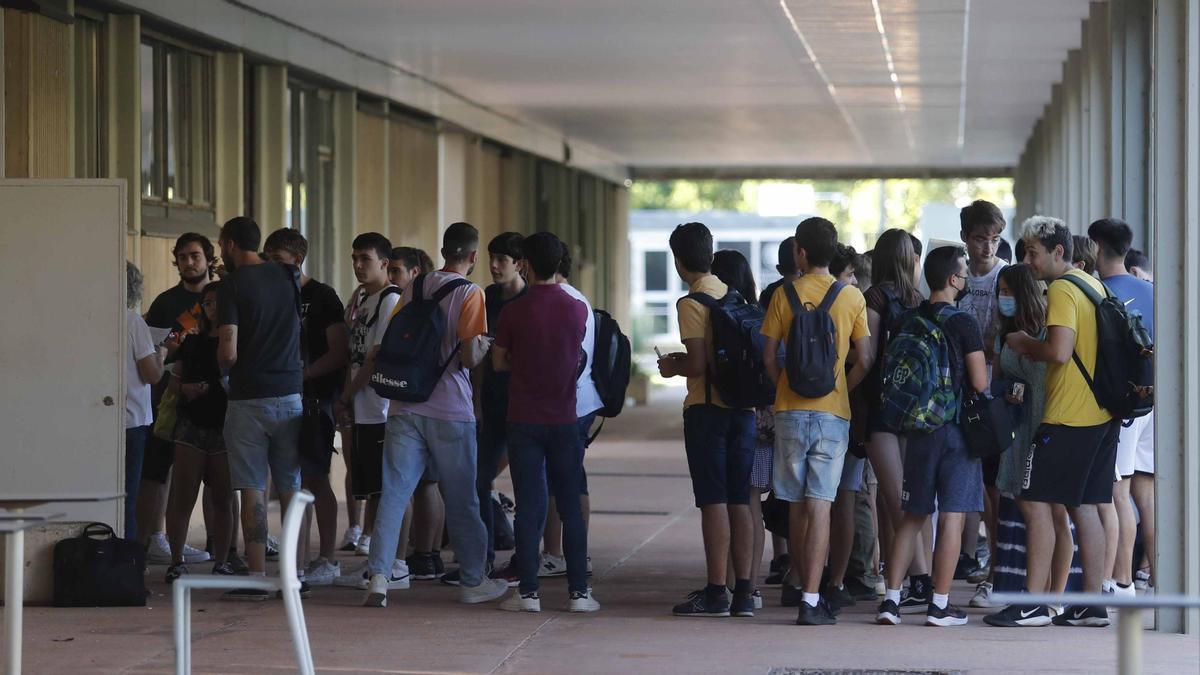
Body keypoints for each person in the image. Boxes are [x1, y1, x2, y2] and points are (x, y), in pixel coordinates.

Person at [363, 222, 508, 608]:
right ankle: (474, 581)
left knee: (394, 492)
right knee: (461, 497)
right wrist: (486, 345)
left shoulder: (416, 285)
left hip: (404, 403)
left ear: (443, 250)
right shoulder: (471, 293)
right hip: (449, 409)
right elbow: (467, 355)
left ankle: (379, 575)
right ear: (474, 256)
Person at [986, 216, 1119, 628]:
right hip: (1101, 413)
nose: (1027, 260)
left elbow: (1059, 352)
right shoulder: (1092, 284)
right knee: (1085, 508)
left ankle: (1034, 603)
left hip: (1067, 416)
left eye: (1032, 252)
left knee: (1037, 504)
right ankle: (1091, 603)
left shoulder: (1062, 289)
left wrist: (1025, 343)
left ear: (1058, 252)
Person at [761, 217, 872, 625]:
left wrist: (784, 388)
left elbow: (769, 356)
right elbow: (866, 357)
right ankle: (812, 598)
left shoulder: (782, 295)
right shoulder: (851, 297)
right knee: (822, 503)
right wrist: (841, 384)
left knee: (794, 502)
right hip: (833, 413)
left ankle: (795, 579)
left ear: (800, 253)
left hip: (790, 411)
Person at [875, 246, 988, 627]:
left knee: (912, 515)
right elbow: (979, 381)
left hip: (919, 430)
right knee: (952, 517)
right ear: (954, 280)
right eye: (964, 272)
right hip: (956, 431)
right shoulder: (964, 323)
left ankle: (891, 600)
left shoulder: (908, 319)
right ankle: (939, 605)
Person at [494, 232, 598, 613]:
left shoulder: (513, 311)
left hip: (523, 418)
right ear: (560, 264)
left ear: (525, 264)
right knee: (570, 506)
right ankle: (579, 594)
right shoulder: (577, 309)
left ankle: (529, 594)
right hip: (566, 419)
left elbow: (498, 361)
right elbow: (578, 358)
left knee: (530, 505)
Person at [658, 222, 756, 618]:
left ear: (679, 262)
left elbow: (697, 364)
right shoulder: (736, 298)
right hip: (744, 413)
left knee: (713, 501)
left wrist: (671, 366)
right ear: (711, 256)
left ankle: (717, 590)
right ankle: (745, 593)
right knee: (741, 500)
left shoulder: (692, 303)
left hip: (707, 412)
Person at [216, 216, 306, 601]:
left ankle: (256, 577)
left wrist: (224, 369)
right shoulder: (287, 276)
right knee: (291, 487)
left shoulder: (231, 286)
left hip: (248, 397)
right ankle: (294, 576)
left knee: (252, 488)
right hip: (289, 393)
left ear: (230, 244)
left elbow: (229, 350)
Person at [976, 264, 1074, 611]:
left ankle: (1051, 598)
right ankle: (1041, 596)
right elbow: (998, 382)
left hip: (1047, 426)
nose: (1003, 297)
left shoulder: (1048, 330)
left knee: (1052, 511)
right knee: (1032, 507)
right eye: (999, 291)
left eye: (1008, 291)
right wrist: (1007, 392)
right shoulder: (1005, 335)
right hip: (1018, 429)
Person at [263, 229, 349, 586]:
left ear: (298, 260)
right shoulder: (269, 293)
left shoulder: (322, 296)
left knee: (315, 477)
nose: (271, 268)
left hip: (315, 399)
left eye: (278, 262)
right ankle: (293, 558)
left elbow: (339, 351)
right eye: (267, 260)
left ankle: (326, 556)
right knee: (287, 478)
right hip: (279, 397)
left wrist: (303, 376)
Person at [138, 233, 216, 567]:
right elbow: (157, 354)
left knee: (218, 477)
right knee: (158, 470)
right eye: (182, 257)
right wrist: (174, 384)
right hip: (169, 400)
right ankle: (155, 538)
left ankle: (222, 546)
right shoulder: (165, 304)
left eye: (195, 256)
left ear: (209, 259)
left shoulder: (226, 298)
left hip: (217, 402)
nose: (188, 262)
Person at [861, 229, 928, 612]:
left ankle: (917, 579)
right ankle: (906, 578)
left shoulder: (875, 296)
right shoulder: (918, 300)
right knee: (904, 497)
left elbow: (867, 356)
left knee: (894, 498)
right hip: (913, 409)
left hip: (880, 408)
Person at [334, 234, 407, 589]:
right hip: (363, 408)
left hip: (378, 407)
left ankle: (389, 563)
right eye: (354, 258)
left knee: (384, 489)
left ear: (384, 263)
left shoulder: (391, 298)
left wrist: (348, 393)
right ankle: (377, 562)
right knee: (371, 486)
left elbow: (375, 356)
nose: (358, 265)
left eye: (365, 258)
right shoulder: (365, 300)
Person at [1089, 218, 1156, 595]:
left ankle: (1120, 580)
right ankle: (1157, 579)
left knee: (1117, 492)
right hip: (1156, 402)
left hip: (1126, 407)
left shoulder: (1101, 294)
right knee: (1145, 497)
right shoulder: (1152, 290)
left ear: (1097, 246)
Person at [163, 282, 236, 582]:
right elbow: (173, 382)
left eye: (217, 302)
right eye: (206, 303)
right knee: (183, 495)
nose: (211, 308)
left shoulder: (236, 344)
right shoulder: (191, 343)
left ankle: (222, 559)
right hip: (191, 423)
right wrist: (187, 388)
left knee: (223, 497)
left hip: (225, 425)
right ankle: (176, 558)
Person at [543, 246, 605, 578]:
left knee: (557, 479)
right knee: (573, 478)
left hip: (566, 404)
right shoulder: (578, 299)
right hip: (583, 401)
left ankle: (555, 554)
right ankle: (574, 554)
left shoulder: (558, 301)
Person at [471, 232, 528, 585]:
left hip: (523, 405)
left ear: (519, 264)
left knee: (526, 483)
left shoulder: (530, 300)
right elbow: (478, 357)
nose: (493, 266)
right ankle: (484, 557)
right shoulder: (487, 297)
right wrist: (475, 403)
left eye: (501, 260)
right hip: (491, 403)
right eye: (491, 258)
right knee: (478, 478)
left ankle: (524, 558)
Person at [955, 200, 1008, 587]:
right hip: (957, 395)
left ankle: (997, 567)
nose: (988, 248)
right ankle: (967, 557)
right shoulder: (955, 277)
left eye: (994, 239)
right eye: (979, 239)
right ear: (965, 239)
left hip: (994, 396)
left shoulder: (1008, 278)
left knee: (995, 486)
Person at [389, 246, 448, 582]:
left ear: (415, 274)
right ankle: (428, 553)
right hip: (430, 401)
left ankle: (423, 553)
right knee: (427, 483)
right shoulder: (426, 302)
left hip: (422, 401)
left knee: (423, 484)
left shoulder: (413, 305)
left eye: (397, 271)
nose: (393, 277)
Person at [711, 249, 765, 609]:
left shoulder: (716, 312)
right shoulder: (756, 313)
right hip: (755, 415)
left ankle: (726, 583)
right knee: (749, 502)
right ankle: (749, 586)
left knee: (724, 499)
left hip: (721, 411)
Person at [757, 237, 797, 586]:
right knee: (794, 483)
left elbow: (764, 349)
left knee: (770, 481)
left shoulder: (771, 296)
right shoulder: (818, 294)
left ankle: (780, 554)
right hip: (804, 400)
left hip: (772, 398)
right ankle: (799, 559)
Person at [125, 262, 166, 540]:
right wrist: (161, 355)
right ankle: (129, 566)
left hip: (96, 418)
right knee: (128, 498)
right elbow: (151, 375)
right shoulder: (133, 321)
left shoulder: (86, 318)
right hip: (132, 420)